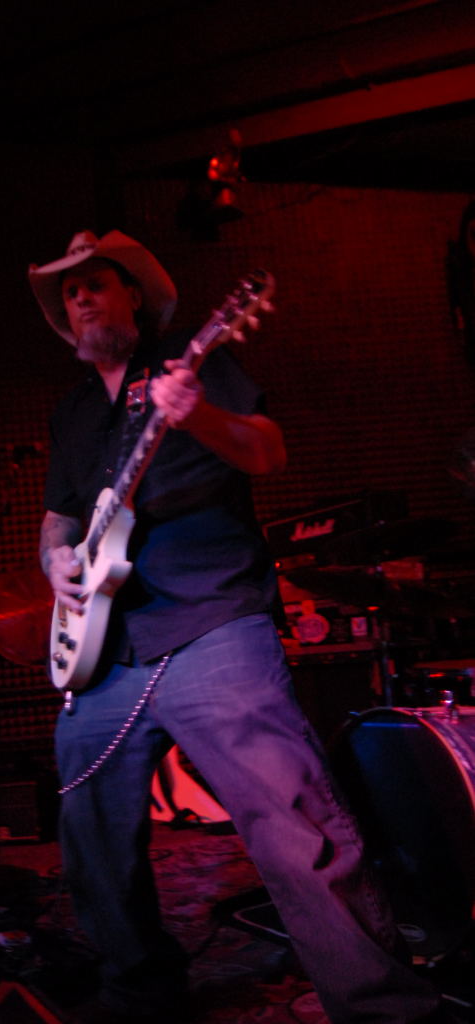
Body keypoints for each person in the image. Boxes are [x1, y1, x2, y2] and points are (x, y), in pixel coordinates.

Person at [29, 230, 447, 1023]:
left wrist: (195, 417)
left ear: (132, 297)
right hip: (105, 654)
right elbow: (59, 518)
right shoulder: (72, 414)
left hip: (212, 622)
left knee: (293, 827)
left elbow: (266, 451)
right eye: (68, 292)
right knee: (89, 836)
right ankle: (138, 990)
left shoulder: (191, 360)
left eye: (96, 283)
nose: (81, 297)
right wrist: (55, 560)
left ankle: (382, 1006)